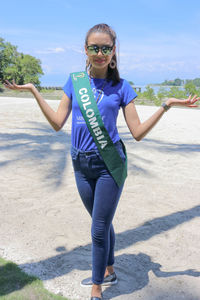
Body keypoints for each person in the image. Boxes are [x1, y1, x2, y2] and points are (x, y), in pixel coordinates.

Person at [4, 23, 199, 300]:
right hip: (80, 165)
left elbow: (138, 133)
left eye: (105, 48)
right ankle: (110, 270)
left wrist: (166, 105)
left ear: (113, 51)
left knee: (97, 229)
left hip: (109, 165)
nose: (99, 53)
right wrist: (35, 90)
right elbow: (59, 123)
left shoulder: (122, 87)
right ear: (85, 50)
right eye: (94, 48)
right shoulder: (75, 82)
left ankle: (96, 290)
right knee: (103, 224)